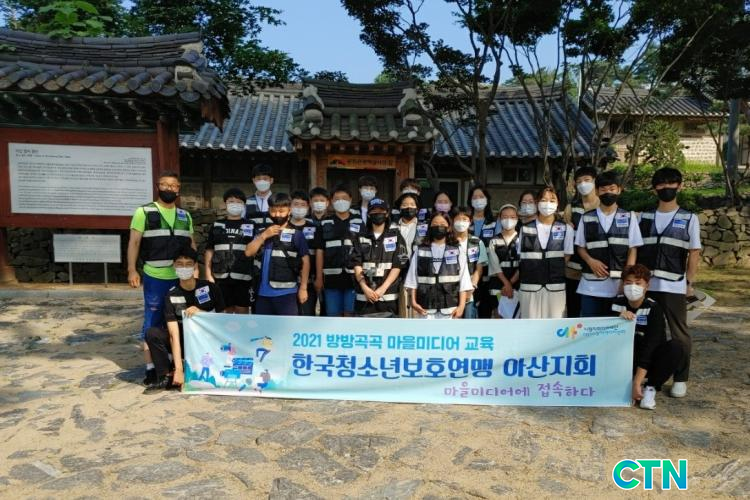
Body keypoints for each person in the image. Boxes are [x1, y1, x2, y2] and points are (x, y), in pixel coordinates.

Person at [636, 167, 701, 398]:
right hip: (646, 285)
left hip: (674, 284)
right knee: (648, 332)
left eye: (671, 184)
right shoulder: (643, 217)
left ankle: (681, 378)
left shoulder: (689, 218)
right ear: (655, 189)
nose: (666, 188)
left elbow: (694, 252)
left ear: (679, 186)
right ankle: (650, 376)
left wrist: (689, 283)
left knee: (679, 333)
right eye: (661, 184)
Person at [127, 171, 194, 386]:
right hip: (155, 277)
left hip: (180, 278)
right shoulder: (144, 212)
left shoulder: (185, 216)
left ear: (178, 189)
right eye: (164, 185)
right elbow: (134, 242)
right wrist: (132, 269)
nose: (169, 189)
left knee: (180, 321)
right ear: (157, 187)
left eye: (173, 185)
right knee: (152, 321)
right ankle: (151, 368)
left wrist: (195, 273)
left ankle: (176, 364)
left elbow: (191, 246)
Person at [143, 246, 224, 393]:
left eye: (188, 264)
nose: (184, 267)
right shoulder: (171, 295)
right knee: (152, 333)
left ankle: (192, 369)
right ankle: (165, 376)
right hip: (183, 341)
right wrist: (179, 370)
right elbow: (173, 335)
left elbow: (222, 321)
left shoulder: (211, 288)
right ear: (174, 266)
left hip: (206, 341)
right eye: (180, 264)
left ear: (195, 266)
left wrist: (201, 313)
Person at [612, 264, 688, 410]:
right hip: (624, 359)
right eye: (628, 283)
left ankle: (650, 388)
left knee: (676, 347)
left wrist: (637, 382)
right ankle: (623, 384)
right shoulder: (615, 305)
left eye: (638, 283)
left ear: (647, 286)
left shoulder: (654, 308)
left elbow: (650, 346)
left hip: (648, 359)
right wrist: (616, 317)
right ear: (622, 284)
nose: (632, 287)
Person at [575, 170, 642, 317]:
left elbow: (633, 250)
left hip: (617, 287)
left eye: (612, 189)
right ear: (597, 191)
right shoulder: (586, 218)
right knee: (589, 327)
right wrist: (590, 261)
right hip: (590, 286)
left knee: (615, 326)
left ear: (619, 190)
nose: (608, 193)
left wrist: (626, 279)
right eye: (603, 189)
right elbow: (580, 247)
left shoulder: (629, 217)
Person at [244, 193, 310, 316]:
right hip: (262, 294)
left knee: (287, 326)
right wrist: (264, 236)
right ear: (269, 210)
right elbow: (248, 252)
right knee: (264, 327)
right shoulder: (261, 232)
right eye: (273, 211)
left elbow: (305, 262)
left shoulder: (297, 235)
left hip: (287, 294)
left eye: (281, 211)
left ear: (289, 211)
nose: (277, 215)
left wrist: (303, 288)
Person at [515, 187, 575, 319]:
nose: (548, 203)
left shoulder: (566, 229)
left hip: (555, 287)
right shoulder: (525, 229)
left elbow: (566, 257)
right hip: (529, 287)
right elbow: (522, 259)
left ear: (557, 204)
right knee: (529, 326)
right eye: (544, 200)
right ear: (537, 203)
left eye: (552, 200)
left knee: (555, 327)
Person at [404, 212, 474, 319]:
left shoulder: (457, 250)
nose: (438, 227)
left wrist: (461, 306)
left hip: (450, 308)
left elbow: (463, 280)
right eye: (435, 224)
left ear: (448, 227)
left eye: (442, 224)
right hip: (424, 308)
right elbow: (412, 279)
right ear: (430, 227)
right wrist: (413, 302)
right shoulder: (420, 250)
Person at [350, 198, 409, 317]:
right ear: (368, 214)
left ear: (387, 214)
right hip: (364, 297)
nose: (377, 214)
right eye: (374, 211)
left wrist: (383, 288)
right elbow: (356, 264)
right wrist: (364, 287)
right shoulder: (360, 237)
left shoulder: (396, 236)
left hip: (388, 297)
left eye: (381, 211)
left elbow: (398, 265)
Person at [204, 188, 254, 314]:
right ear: (224, 204)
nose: (235, 204)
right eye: (231, 201)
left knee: (242, 311)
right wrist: (208, 274)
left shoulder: (250, 225)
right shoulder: (217, 225)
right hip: (221, 276)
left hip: (243, 276)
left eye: (238, 202)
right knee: (224, 312)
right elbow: (210, 250)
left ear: (244, 205)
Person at [315, 185, 363, 316]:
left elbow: (364, 250)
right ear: (331, 201)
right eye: (337, 199)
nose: (341, 201)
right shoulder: (325, 223)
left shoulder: (358, 221)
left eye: (344, 198)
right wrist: (319, 277)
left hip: (353, 278)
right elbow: (319, 251)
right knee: (333, 315)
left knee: (350, 314)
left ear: (351, 200)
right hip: (331, 279)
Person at [564, 166, 600, 318]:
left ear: (594, 181)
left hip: (597, 269)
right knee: (573, 311)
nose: (583, 184)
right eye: (579, 182)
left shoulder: (603, 206)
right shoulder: (571, 208)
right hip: (573, 270)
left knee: (594, 313)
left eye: (587, 180)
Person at [392, 192, 426, 318]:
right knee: (402, 310)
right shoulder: (392, 227)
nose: (408, 207)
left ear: (417, 208)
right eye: (405, 205)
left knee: (418, 311)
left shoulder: (424, 227)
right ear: (399, 208)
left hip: (419, 273)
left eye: (412, 204)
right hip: (397, 273)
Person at [452, 207, 488, 319]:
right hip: (451, 290)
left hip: (470, 292)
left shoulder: (477, 242)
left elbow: (479, 269)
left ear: (470, 221)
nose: (461, 222)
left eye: (464, 219)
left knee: (469, 321)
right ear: (452, 221)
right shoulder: (448, 242)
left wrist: (471, 287)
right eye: (458, 219)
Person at [468, 186, 497, 318]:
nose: (478, 200)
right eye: (474, 197)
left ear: (487, 199)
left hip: (488, 275)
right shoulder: (465, 221)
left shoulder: (495, 222)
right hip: (468, 274)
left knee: (485, 313)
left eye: (481, 197)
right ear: (470, 201)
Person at [289, 190, 320, 315]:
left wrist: (318, 277)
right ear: (290, 206)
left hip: (309, 282)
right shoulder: (284, 227)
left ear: (308, 207)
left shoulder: (314, 228)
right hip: (287, 282)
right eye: (296, 204)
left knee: (307, 315)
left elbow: (318, 253)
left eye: (303, 205)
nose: (299, 208)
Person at [488, 204, 521, 318]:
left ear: (517, 218)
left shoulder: (521, 239)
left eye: (512, 217)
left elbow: (523, 264)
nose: (508, 220)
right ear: (499, 218)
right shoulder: (494, 241)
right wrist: (506, 284)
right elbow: (495, 266)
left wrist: (510, 283)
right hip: (498, 285)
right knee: (499, 317)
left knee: (516, 317)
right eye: (505, 217)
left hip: (517, 285)